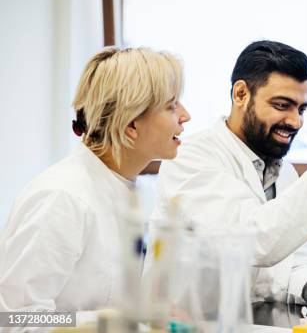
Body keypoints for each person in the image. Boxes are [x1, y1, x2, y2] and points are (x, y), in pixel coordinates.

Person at [149, 40, 307, 310]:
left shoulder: (284, 173)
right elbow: (250, 240)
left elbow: (294, 259)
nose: (295, 122)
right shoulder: (190, 158)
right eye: (282, 105)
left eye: (301, 109)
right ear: (240, 94)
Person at [0, 47, 191, 311]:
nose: (185, 116)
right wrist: (98, 325)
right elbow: (14, 321)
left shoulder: (124, 190)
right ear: (130, 125)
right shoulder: (63, 198)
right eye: (172, 106)